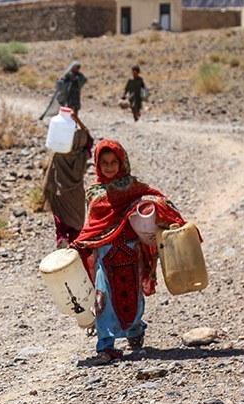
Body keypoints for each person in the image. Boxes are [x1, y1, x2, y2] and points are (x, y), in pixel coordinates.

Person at [69, 139, 187, 365]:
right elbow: (94, 225)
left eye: (114, 162)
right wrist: (81, 243)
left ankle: (135, 330)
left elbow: (157, 199)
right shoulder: (94, 192)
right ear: (97, 164)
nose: (109, 166)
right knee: (103, 298)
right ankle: (106, 345)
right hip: (106, 255)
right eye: (104, 163)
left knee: (133, 295)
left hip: (132, 252)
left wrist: (157, 211)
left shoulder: (134, 186)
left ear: (122, 162)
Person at [40, 112, 93, 249]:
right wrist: (78, 121)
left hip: (60, 192)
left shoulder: (59, 155)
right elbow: (89, 140)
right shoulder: (83, 155)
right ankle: (74, 249)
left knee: (60, 220)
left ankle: (62, 239)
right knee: (76, 223)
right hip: (76, 195)